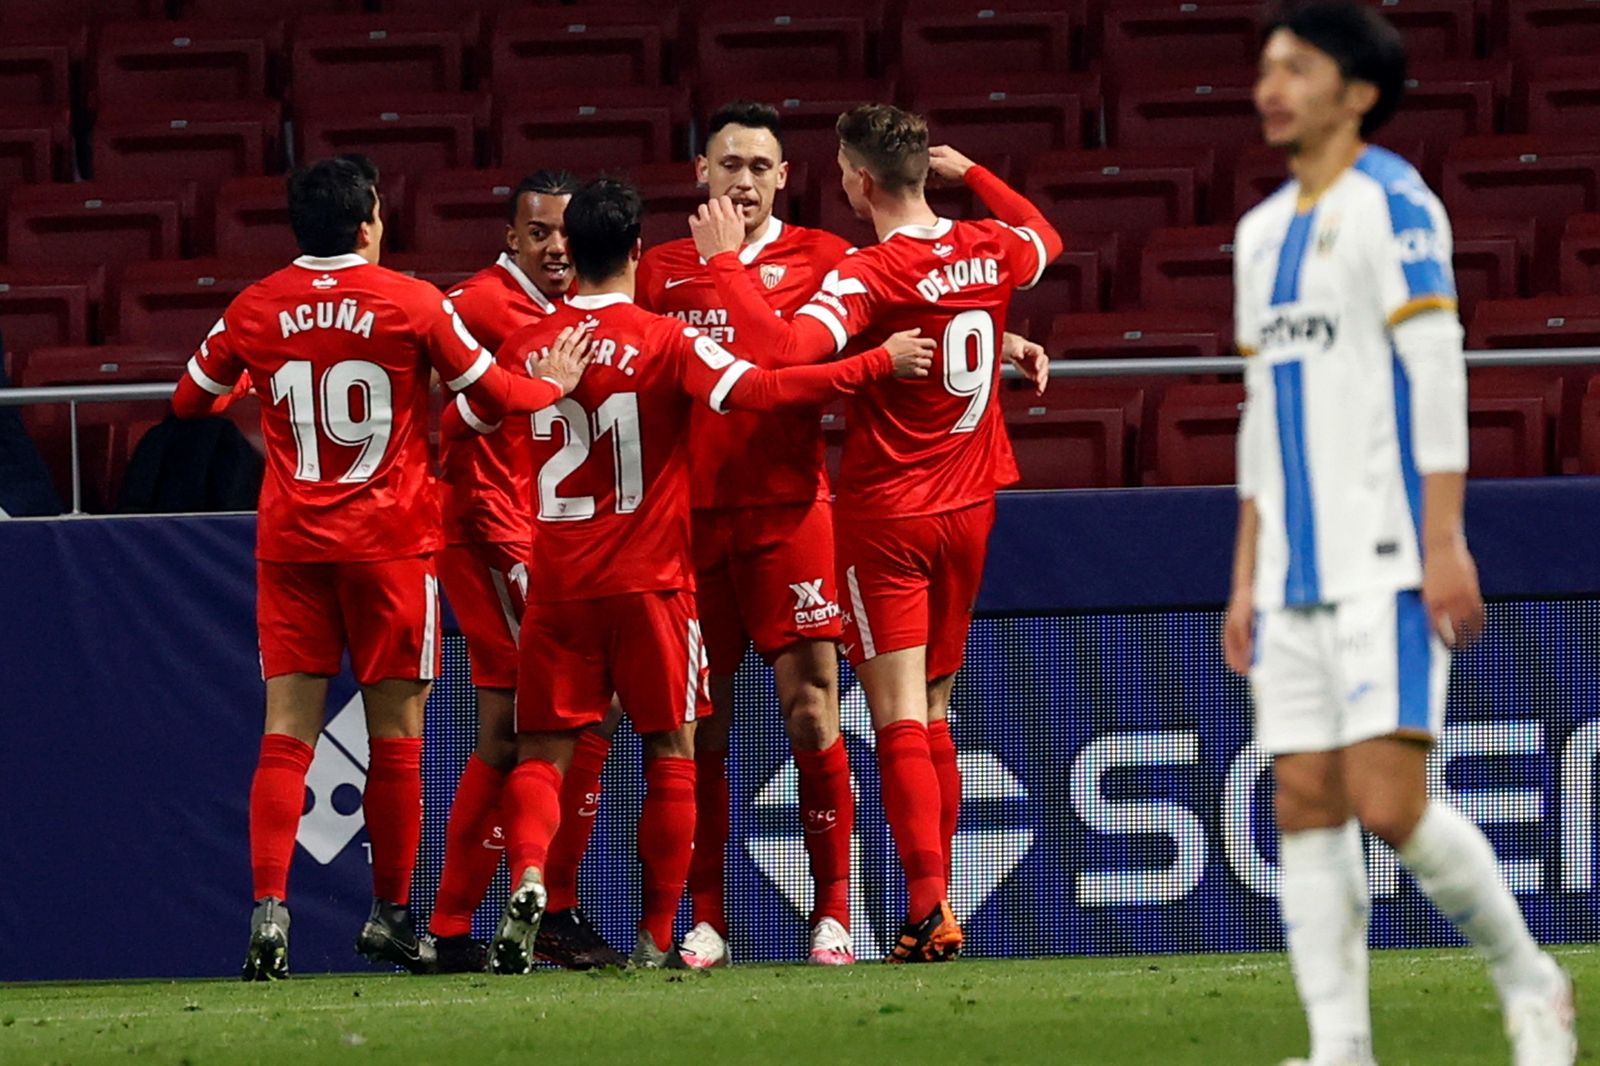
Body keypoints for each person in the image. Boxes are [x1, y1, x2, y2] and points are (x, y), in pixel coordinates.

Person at [1223, 4, 1577, 1064]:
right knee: (1302, 802)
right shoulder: (1258, 234)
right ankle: (1340, 1047)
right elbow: (1259, 416)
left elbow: (1435, 372)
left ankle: (1530, 979)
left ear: (1359, 92)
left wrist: (1443, 539)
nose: (1270, 86)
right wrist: (1244, 577)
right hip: (1288, 575)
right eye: (1267, 67)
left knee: (1389, 802)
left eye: (1297, 67)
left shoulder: (1396, 205)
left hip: (1383, 556)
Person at [480, 177, 934, 974]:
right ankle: (663, 933)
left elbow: (465, 416)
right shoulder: (665, 338)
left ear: (567, 251)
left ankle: (529, 880)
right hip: (654, 577)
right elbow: (764, 387)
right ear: (636, 252)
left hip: (559, 581)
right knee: (673, 747)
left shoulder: (529, 348)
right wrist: (875, 365)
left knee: (545, 748)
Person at [171, 154, 595, 981]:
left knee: (285, 734)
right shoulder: (411, 300)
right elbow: (493, 394)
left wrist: (246, 384)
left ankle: (269, 910)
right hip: (390, 546)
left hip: (293, 549)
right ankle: (393, 917)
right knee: (396, 738)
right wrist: (552, 387)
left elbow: (190, 402)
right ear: (368, 223)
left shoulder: (255, 305)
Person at [689, 104, 1061, 962]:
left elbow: (785, 351)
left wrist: (724, 267)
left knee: (896, 717)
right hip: (973, 507)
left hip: (890, 516)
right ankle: (938, 901)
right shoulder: (989, 246)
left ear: (858, 181)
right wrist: (975, 177)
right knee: (934, 709)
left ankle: (927, 909)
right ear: (925, 172)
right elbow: (1046, 237)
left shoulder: (869, 272)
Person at [636, 100, 859, 968]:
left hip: (789, 513)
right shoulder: (660, 270)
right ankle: (707, 921)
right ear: (701, 172)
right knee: (702, 723)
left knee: (811, 710)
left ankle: (832, 913)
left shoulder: (823, 257)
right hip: (686, 524)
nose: (744, 180)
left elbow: (866, 331)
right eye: (729, 164)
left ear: (784, 178)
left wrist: (1007, 335)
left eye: (761, 167)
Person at [430, 169, 626, 972]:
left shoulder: (579, 306)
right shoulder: (478, 304)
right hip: (493, 535)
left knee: (540, 725)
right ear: (511, 237)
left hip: (544, 538)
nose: (554, 248)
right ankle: (532, 911)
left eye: (564, 234)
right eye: (538, 233)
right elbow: (436, 407)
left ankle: (463, 927)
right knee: (544, 724)